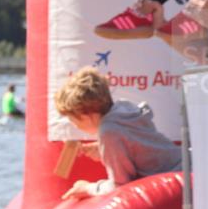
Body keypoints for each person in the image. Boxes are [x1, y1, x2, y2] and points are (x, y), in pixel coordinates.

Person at [54, 67, 181, 201]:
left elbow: (120, 185)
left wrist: (88, 188)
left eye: (72, 119)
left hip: (174, 179)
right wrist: (102, 148)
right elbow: (140, 143)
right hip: (185, 164)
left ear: (86, 115)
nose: (74, 124)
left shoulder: (108, 132)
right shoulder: (123, 108)